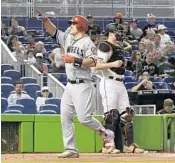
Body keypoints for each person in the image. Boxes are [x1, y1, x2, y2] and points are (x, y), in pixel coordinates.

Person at [36, 11, 115, 158]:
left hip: (83, 84)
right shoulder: (68, 39)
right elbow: (53, 31)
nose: (71, 26)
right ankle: (71, 149)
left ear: (80, 26)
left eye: (73, 24)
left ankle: (106, 133)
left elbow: (93, 61)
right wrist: (45, 20)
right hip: (70, 85)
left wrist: (74, 60)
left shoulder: (87, 42)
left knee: (84, 118)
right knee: (65, 116)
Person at [95, 23, 144, 153]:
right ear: (111, 33)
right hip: (108, 82)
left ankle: (129, 145)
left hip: (120, 83)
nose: (120, 34)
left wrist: (129, 64)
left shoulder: (119, 47)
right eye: (117, 32)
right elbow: (98, 66)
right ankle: (107, 145)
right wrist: (113, 63)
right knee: (111, 115)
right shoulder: (104, 46)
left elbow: (121, 63)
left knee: (127, 114)